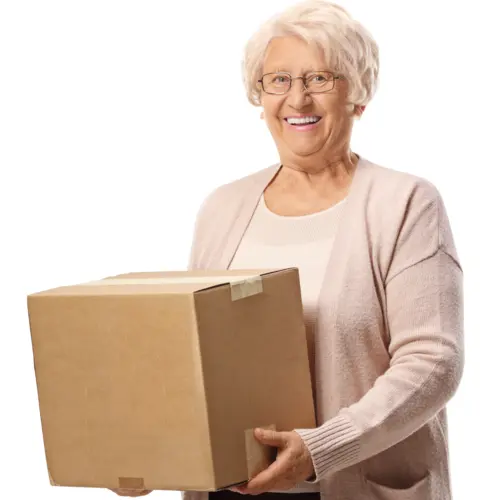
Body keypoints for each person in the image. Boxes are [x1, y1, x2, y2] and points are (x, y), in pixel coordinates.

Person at [113, 1, 464, 498]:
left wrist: (322, 448)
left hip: (353, 487)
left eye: (320, 78)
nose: (297, 99)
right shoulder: (223, 207)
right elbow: (192, 351)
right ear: (260, 95)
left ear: (357, 95)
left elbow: (433, 362)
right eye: (277, 80)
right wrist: (155, 450)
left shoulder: (405, 203)